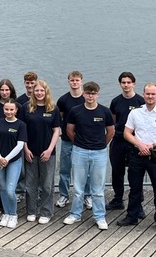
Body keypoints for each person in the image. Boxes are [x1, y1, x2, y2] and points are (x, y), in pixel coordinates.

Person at [117, 83, 156, 233]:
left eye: (153, 94)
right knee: (135, 189)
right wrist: (140, 145)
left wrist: (152, 147)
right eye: (147, 94)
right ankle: (132, 216)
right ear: (143, 95)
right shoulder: (135, 113)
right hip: (137, 155)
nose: (150, 96)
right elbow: (127, 133)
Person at [63, 81, 113, 231]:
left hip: (99, 153)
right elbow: (69, 130)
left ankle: (99, 216)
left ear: (98, 94)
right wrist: (79, 143)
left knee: (98, 189)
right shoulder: (75, 111)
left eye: (93, 93)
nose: (90, 96)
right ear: (83, 94)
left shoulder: (105, 111)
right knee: (78, 187)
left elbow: (110, 131)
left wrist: (101, 145)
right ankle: (75, 214)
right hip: (80, 151)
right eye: (88, 93)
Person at [22, 80, 61, 225]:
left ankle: (46, 212)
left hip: (47, 152)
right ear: (33, 92)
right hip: (30, 152)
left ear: (46, 92)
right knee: (30, 184)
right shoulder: (26, 108)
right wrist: (25, 149)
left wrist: (50, 149)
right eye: (37, 90)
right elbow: (22, 130)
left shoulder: (53, 108)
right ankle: (31, 211)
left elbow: (56, 130)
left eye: (42, 91)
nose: (39, 93)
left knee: (47, 184)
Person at [107, 72, 146, 213]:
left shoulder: (141, 101)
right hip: (118, 141)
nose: (126, 85)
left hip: (135, 141)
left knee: (136, 173)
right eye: (123, 82)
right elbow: (113, 121)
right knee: (117, 172)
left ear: (134, 84)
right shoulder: (115, 101)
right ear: (120, 84)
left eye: (129, 82)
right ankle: (118, 199)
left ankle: (138, 205)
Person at [55, 71, 90, 209]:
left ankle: (87, 195)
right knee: (65, 170)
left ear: (81, 81)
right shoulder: (63, 100)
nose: (75, 83)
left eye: (77, 80)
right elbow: (59, 118)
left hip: (84, 142)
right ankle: (64, 195)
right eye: (72, 80)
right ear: (68, 81)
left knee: (86, 171)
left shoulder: (86, 98)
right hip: (67, 141)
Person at [0, 100, 27, 229]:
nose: (9, 112)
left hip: (13, 161)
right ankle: (6, 213)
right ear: (3, 110)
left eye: (12, 109)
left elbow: (20, 145)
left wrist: (6, 159)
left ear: (16, 110)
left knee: (10, 190)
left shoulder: (21, 125)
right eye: (6, 109)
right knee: (2, 188)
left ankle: (13, 214)